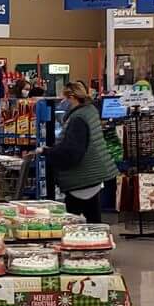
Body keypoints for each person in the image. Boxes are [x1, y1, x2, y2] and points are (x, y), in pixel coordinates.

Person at [47, 80, 117, 222]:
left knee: (71, 221)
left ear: (72, 97)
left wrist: (48, 152)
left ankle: (82, 241)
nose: (63, 102)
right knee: (93, 218)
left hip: (81, 177)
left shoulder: (78, 118)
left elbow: (73, 152)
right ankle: (99, 240)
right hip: (93, 174)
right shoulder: (90, 110)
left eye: (64, 98)